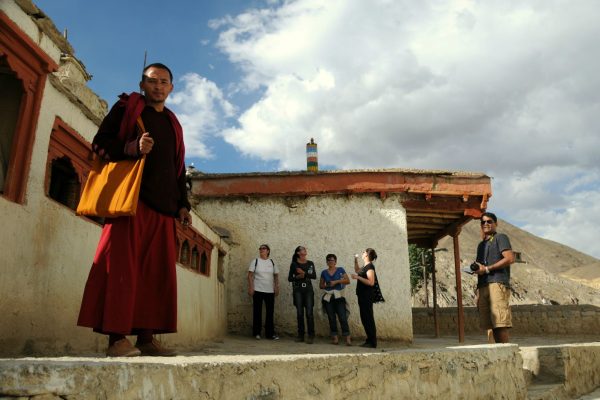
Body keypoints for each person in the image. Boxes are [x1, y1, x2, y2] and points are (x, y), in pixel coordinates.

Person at [77, 63, 191, 357]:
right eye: (152, 81)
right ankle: (116, 339)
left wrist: (183, 204)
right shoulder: (126, 108)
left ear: (171, 88)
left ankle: (146, 337)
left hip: (164, 208)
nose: (158, 86)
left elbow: (177, 168)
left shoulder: (173, 124)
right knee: (120, 269)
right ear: (142, 84)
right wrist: (131, 148)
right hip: (130, 201)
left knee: (155, 275)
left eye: (164, 82)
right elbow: (99, 144)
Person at [473, 212, 515, 343]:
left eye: (489, 221)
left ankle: (506, 354)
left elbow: (510, 258)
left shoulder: (500, 238)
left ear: (495, 224)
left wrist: (487, 269)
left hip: (497, 283)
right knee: (488, 324)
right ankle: (494, 356)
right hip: (483, 286)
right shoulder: (481, 245)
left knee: (499, 323)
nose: (486, 224)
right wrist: (478, 291)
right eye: (483, 222)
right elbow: (480, 268)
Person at [248, 244, 280, 340]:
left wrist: (277, 287)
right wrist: (251, 287)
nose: (262, 250)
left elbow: (276, 275)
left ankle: (270, 334)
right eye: (260, 248)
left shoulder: (272, 262)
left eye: (264, 248)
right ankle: (257, 333)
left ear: (268, 251)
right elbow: (249, 275)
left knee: (270, 312)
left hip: (270, 291)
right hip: (257, 289)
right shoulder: (255, 261)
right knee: (257, 312)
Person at [319, 254, 351, 346]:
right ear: (326, 262)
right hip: (329, 297)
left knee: (342, 317)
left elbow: (347, 281)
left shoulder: (341, 270)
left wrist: (336, 282)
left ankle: (348, 338)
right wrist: (328, 285)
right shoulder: (324, 272)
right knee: (331, 318)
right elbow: (321, 286)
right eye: (328, 260)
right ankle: (335, 338)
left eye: (332, 260)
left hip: (339, 296)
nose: (330, 262)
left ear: (335, 261)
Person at [351, 248, 379, 348]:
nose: (362, 253)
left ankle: (372, 342)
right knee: (365, 318)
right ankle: (369, 340)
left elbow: (371, 282)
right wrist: (355, 260)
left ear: (367, 255)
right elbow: (357, 270)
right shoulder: (365, 266)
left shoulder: (370, 266)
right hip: (362, 296)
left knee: (368, 318)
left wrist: (358, 277)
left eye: (364, 252)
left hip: (366, 296)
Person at [288, 246, 316, 343]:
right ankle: (301, 335)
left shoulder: (310, 263)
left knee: (309, 313)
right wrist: (297, 277)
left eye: (305, 249)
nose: (305, 250)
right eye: (303, 249)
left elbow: (314, 276)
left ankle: (311, 335)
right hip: (298, 290)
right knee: (300, 313)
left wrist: (304, 273)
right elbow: (290, 278)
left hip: (308, 290)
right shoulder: (294, 264)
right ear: (298, 253)